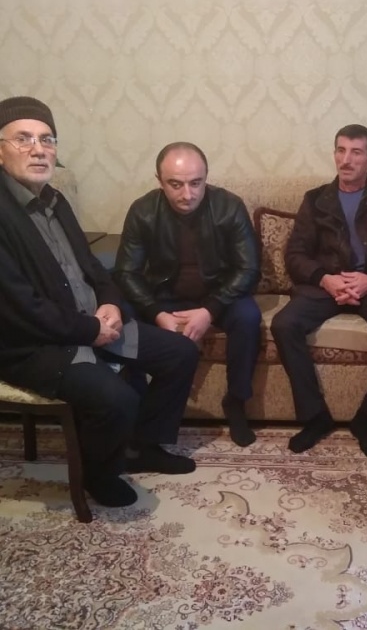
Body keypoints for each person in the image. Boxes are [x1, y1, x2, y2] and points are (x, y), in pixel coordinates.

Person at [0, 96, 200, 508]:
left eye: (47, 139)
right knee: (117, 399)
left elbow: (92, 266)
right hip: (35, 346)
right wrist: (91, 329)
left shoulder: (55, 200)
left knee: (180, 352)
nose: (38, 149)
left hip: (91, 323)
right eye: (23, 139)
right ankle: (98, 473)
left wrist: (110, 304)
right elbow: (20, 306)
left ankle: (143, 446)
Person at [270, 124, 367, 458]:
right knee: (283, 324)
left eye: (356, 152)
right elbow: (295, 254)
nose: (346, 159)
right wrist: (325, 278)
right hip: (328, 286)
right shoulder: (315, 199)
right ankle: (315, 417)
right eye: (340, 150)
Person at [114, 142, 261, 447]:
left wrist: (210, 310)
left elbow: (248, 268)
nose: (188, 194)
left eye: (196, 183)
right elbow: (126, 273)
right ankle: (137, 399)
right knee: (121, 310)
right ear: (159, 181)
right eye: (176, 184)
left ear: (206, 178)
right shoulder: (143, 211)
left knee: (248, 316)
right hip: (163, 296)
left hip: (218, 294)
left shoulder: (229, 206)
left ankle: (236, 402)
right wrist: (156, 313)